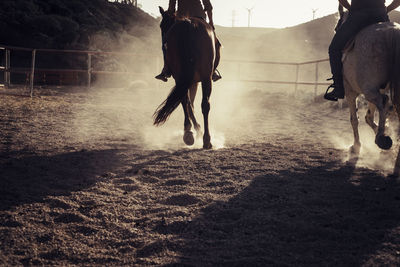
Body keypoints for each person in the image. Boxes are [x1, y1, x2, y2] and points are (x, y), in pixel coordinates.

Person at [324, 0, 400, 101]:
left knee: (334, 48)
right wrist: (386, 9)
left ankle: (338, 88)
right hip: (380, 14)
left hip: (358, 15)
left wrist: (350, 8)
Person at [155, 0, 222, 82]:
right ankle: (213, 70)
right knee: (216, 43)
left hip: (181, 18)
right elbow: (207, 4)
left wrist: (170, 12)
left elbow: (172, 4)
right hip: (199, 16)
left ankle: (166, 68)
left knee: (166, 43)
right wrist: (211, 21)